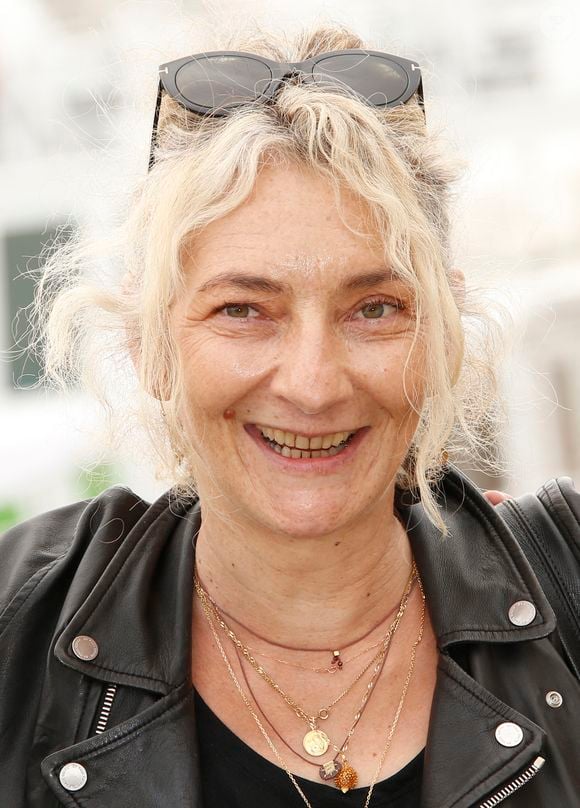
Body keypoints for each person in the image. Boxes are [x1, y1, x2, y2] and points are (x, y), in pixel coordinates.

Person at [1, 22, 578, 808]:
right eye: (243, 310)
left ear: (443, 335)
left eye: (374, 308)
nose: (313, 384)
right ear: (149, 344)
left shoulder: (568, 589)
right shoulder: (19, 629)